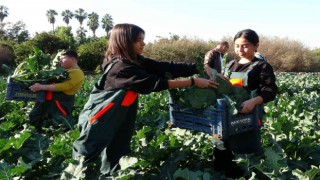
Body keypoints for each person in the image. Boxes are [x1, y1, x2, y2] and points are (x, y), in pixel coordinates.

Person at [60, 23, 219, 179]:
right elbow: (154, 83)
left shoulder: (133, 61)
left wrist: (200, 67)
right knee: (86, 152)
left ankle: (111, 175)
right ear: (125, 41)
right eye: (138, 40)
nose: (143, 43)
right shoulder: (121, 67)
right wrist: (193, 81)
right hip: (103, 115)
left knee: (117, 149)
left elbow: (163, 67)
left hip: (121, 112)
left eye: (143, 39)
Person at [211, 29, 277, 178]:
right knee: (220, 147)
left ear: (256, 46)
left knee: (244, 153)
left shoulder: (262, 66)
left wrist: (254, 101)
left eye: (245, 46)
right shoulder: (230, 65)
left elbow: (270, 90)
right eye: (237, 46)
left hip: (247, 116)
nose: (240, 49)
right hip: (224, 115)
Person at [29, 49, 84, 131]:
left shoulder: (78, 73)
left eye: (62, 59)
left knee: (55, 125)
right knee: (35, 117)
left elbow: (64, 86)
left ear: (72, 59)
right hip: (48, 101)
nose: (60, 61)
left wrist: (41, 87)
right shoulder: (63, 71)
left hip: (59, 105)